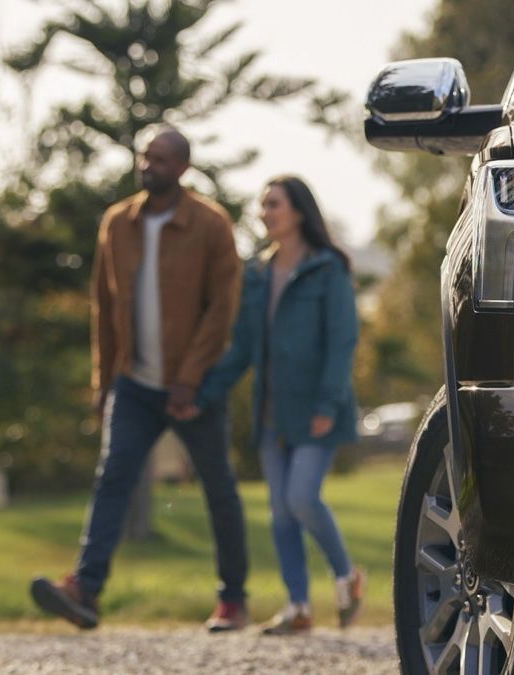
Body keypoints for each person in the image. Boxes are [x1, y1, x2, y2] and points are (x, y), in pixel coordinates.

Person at [30, 127, 250, 632]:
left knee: (219, 488)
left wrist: (190, 378)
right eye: (144, 156)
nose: (149, 165)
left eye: (161, 158)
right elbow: (103, 307)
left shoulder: (210, 225)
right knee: (113, 479)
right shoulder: (117, 223)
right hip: (133, 382)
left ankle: (233, 601)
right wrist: (102, 380)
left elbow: (222, 310)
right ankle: (85, 590)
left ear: (183, 168)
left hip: (191, 385)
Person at [196, 175, 363, 634]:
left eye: (274, 204)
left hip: (316, 408)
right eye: (262, 205)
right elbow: (244, 347)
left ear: (298, 212)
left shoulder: (328, 269)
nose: (265, 212)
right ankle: (297, 607)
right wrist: (202, 392)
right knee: (281, 510)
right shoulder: (257, 274)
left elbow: (342, 340)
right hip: (271, 413)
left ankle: (346, 576)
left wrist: (328, 401)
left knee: (301, 497)